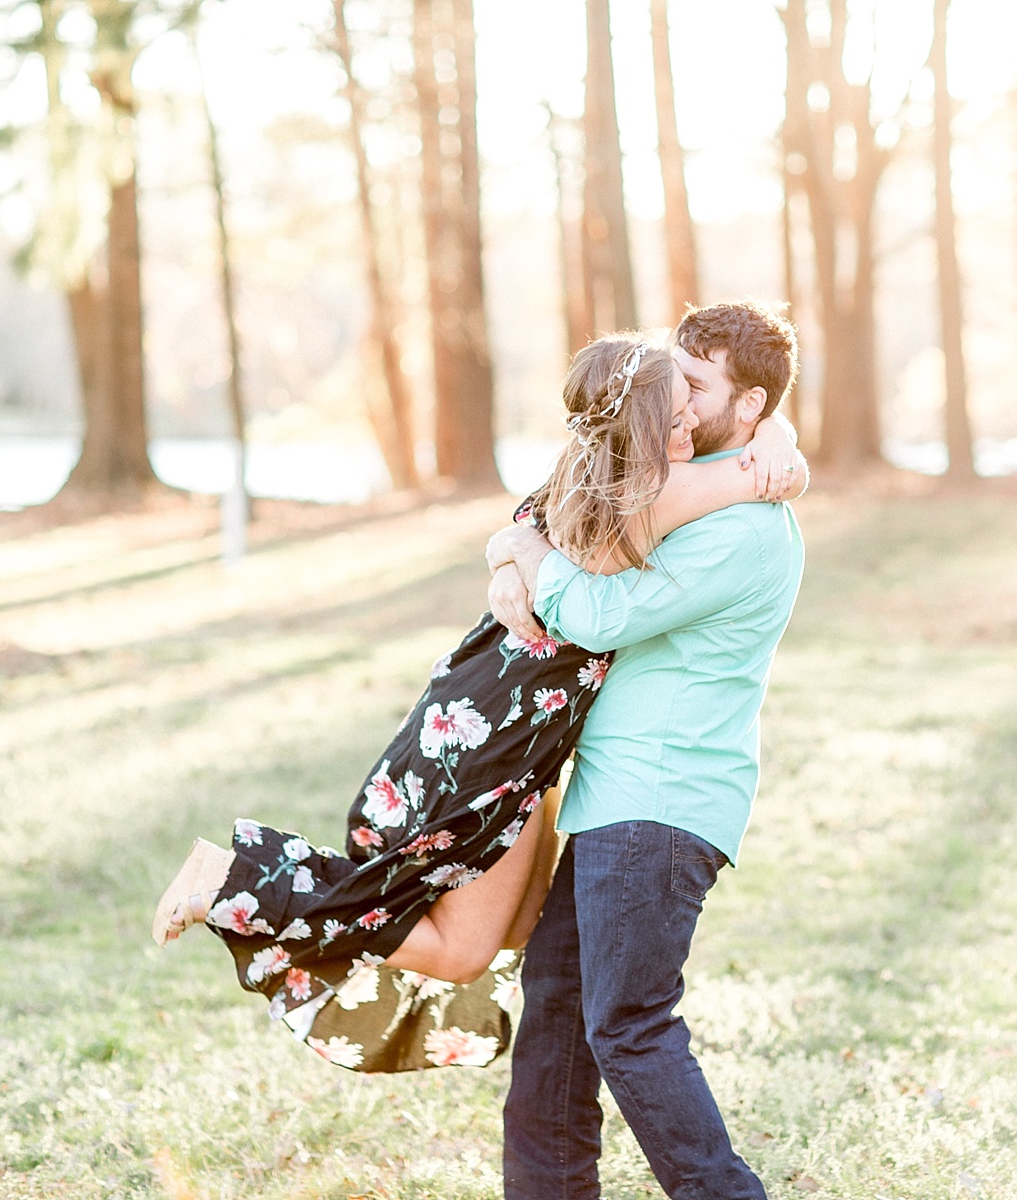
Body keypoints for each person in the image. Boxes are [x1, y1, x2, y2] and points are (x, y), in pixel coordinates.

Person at [147, 330, 806, 1074]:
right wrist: (775, 446)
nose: (690, 422)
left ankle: (249, 881)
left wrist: (772, 424)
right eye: (679, 409)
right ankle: (238, 879)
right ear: (647, 424)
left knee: (520, 924)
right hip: (500, 731)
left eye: (695, 401)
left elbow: (537, 522)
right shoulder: (656, 485)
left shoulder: (605, 468)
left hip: (513, 722)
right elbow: (754, 480)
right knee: (460, 949)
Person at [485, 300, 804, 1200]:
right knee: (556, 1015)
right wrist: (515, 544)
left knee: (628, 1025)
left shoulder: (743, 526)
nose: (674, 396)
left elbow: (597, 613)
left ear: (748, 410)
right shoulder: (683, 486)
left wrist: (527, 555)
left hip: (660, 808)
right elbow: (575, 511)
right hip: (614, 801)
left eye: (696, 386)